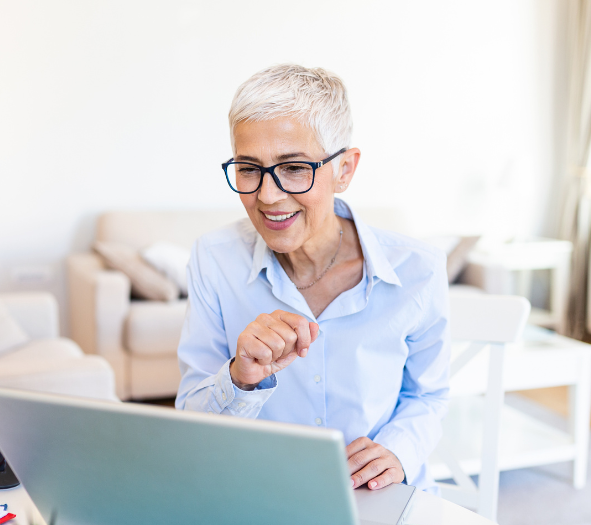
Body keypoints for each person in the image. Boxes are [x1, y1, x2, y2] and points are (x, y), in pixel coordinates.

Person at [175, 64, 450, 493]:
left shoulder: (420, 270)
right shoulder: (214, 260)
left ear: (345, 169)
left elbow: (429, 395)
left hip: (374, 497)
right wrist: (239, 376)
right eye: (249, 168)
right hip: (260, 494)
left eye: (294, 168)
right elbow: (190, 426)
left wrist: (398, 450)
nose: (267, 195)